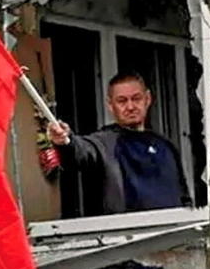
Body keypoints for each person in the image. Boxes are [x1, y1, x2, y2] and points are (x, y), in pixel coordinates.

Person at [47, 72, 191, 216]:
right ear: (110, 105)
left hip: (174, 232)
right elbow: (81, 151)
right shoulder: (104, 143)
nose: (130, 106)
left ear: (147, 99)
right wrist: (66, 141)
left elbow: (184, 197)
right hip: (128, 235)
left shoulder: (166, 146)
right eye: (122, 101)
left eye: (136, 99)